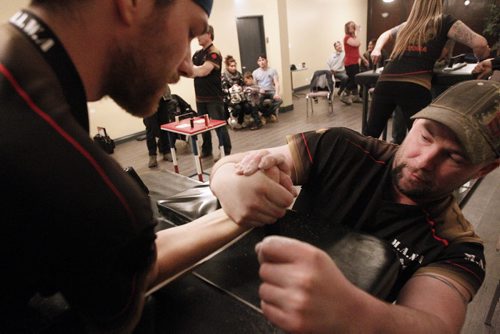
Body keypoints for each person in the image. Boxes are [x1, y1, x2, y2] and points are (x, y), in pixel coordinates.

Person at [0, 1, 253, 332]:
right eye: (189, 31)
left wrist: (233, 213)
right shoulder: (90, 191)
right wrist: (239, 210)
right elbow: (123, 282)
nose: (187, 67)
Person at [210, 80, 500, 333]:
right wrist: (229, 181)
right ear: (412, 124)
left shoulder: (457, 246)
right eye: (425, 136)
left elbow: (436, 324)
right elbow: (230, 165)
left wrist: (355, 313)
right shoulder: (342, 147)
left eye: (454, 157)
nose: (424, 161)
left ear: (484, 169)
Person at [365, 0, 490, 144]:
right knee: (421, 141)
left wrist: (376, 49)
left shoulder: (406, 25)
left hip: (385, 82)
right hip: (414, 86)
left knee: (369, 137)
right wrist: (482, 60)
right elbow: (480, 43)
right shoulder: (444, 21)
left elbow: (385, 34)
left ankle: (362, 165)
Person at [192, 25, 232, 160]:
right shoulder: (197, 54)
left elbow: (204, 71)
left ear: (209, 34)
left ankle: (225, 150)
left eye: (200, 34)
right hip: (200, 97)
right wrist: (193, 70)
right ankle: (207, 149)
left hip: (213, 98)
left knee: (219, 125)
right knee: (203, 127)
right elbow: (192, 71)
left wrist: (193, 70)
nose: (197, 36)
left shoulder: (214, 53)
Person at [144, 85, 174, 168]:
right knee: (150, 129)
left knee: (164, 126)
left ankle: (166, 152)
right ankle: (152, 156)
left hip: (162, 97)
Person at [342, 21, 369, 105]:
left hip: (355, 62)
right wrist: (358, 31)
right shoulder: (347, 38)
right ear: (347, 28)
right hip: (350, 63)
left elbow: (357, 51)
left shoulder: (354, 37)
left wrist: (364, 59)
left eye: (354, 26)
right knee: (354, 80)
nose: (353, 27)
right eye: (351, 26)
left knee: (354, 79)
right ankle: (344, 95)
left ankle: (355, 97)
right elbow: (357, 43)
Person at [252, 54, 282, 122]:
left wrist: (276, 93)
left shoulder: (273, 70)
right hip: (261, 92)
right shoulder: (255, 72)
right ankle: (269, 114)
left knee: (279, 100)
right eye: (259, 60)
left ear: (266, 61)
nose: (261, 62)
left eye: (263, 60)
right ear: (257, 62)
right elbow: (254, 85)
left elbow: (276, 83)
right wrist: (259, 89)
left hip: (271, 91)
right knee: (256, 102)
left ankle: (265, 115)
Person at [221, 55, 245, 129]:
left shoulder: (239, 74)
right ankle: (232, 119)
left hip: (240, 96)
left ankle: (240, 122)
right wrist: (232, 90)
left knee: (245, 105)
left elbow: (243, 84)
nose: (234, 68)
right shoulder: (224, 76)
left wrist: (241, 88)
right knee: (237, 107)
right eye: (231, 66)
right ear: (227, 66)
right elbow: (223, 89)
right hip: (229, 97)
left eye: (234, 66)